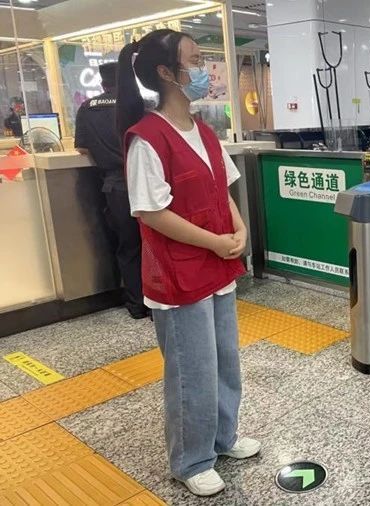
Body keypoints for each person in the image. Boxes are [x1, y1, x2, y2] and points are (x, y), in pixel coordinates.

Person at [116, 29, 260, 496]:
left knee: (224, 361)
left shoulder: (204, 132)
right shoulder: (147, 138)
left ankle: (222, 438)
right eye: (196, 61)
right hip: (179, 274)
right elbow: (151, 212)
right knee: (191, 369)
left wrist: (239, 229)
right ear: (166, 72)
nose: (206, 70)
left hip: (217, 267)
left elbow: (222, 189)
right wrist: (215, 242)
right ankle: (191, 459)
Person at [75, 63, 149, 320]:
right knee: (154, 243)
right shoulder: (138, 105)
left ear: (102, 83)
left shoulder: (87, 108)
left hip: (115, 186)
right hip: (145, 182)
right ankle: (159, 301)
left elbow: (82, 148)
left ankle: (137, 305)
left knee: (128, 247)